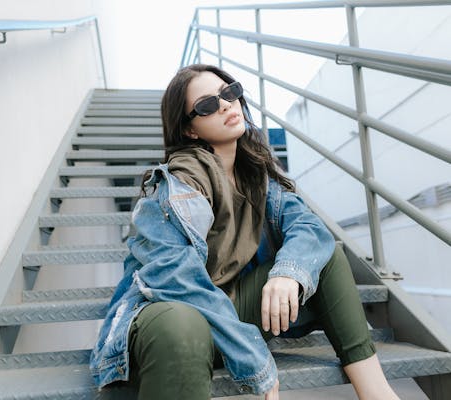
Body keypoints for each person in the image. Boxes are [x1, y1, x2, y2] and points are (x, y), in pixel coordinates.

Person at [90, 64, 400, 400]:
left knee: (323, 256)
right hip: (169, 319)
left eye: (229, 92)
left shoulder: (256, 177)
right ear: (191, 130)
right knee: (184, 322)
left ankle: (378, 394)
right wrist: (252, 355)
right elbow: (173, 281)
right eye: (207, 105)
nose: (225, 104)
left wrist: (287, 274)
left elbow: (309, 228)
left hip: (227, 313)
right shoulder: (176, 186)